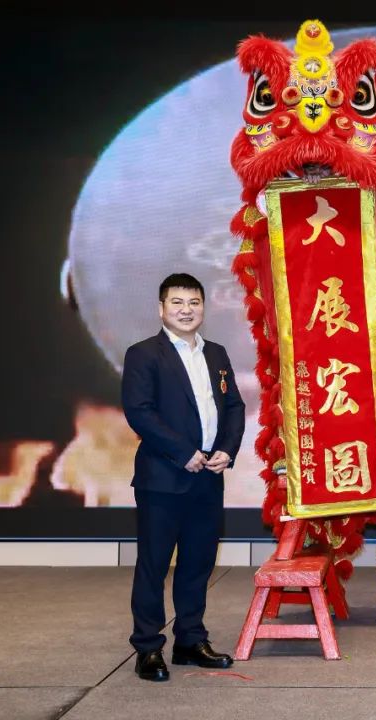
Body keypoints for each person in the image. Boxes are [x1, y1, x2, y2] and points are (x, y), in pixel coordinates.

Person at [121, 273, 246, 681]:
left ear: (203, 308)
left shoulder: (217, 353)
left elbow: (234, 407)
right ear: (161, 309)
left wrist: (227, 449)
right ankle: (147, 647)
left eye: (194, 302)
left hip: (208, 477)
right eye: (177, 302)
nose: (186, 310)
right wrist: (183, 452)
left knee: (198, 563)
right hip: (162, 479)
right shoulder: (144, 354)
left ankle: (190, 640)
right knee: (154, 565)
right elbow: (139, 411)